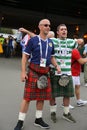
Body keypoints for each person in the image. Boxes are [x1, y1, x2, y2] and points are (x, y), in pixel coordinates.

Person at [14, 18, 61, 130]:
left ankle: (38, 119)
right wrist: (23, 71)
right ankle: (20, 122)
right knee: (27, 98)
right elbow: (25, 56)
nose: (48, 27)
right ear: (40, 26)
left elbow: (52, 57)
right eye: (45, 25)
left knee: (41, 98)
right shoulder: (33, 40)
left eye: (49, 25)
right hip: (33, 71)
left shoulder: (50, 42)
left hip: (45, 73)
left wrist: (56, 65)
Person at [49, 24, 84, 123]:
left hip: (67, 73)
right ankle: (53, 113)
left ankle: (66, 113)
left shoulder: (71, 42)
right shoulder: (53, 41)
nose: (64, 31)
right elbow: (41, 38)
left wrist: (80, 40)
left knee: (67, 95)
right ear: (57, 32)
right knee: (53, 95)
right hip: (54, 72)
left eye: (65, 29)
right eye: (62, 29)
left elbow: (80, 42)